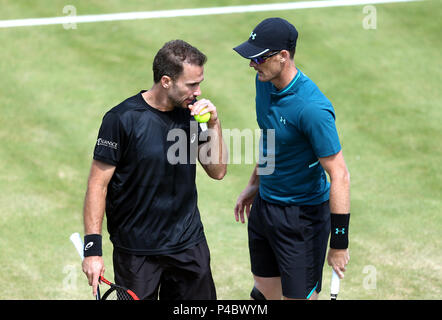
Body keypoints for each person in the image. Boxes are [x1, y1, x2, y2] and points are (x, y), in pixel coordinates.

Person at [81, 39, 227, 300]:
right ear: (166, 81)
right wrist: (93, 249)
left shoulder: (192, 115)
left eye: (200, 83)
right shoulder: (121, 119)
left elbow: (217, 171)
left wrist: (214, 125)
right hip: (137, 252)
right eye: (192, 84)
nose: (198, 91)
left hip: (188, 245)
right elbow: (97, 184)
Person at [233, 18, 351, 300]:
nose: (252, 64)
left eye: (259, 57)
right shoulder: (264, 81)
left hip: (302, 219)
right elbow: (270, 137)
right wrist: (255, 184)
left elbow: (340, 174)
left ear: (283, 56)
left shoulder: (312, 109)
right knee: (263, 295)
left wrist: (339, 244)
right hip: (266, 208)